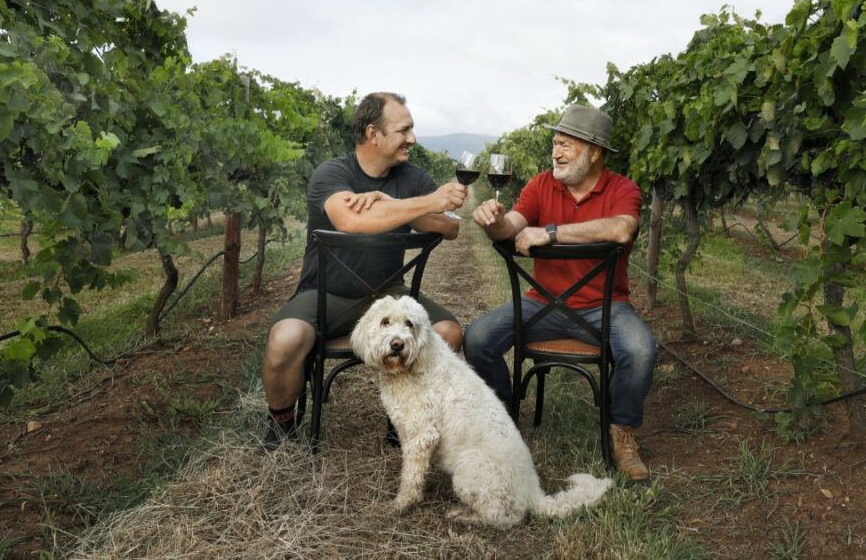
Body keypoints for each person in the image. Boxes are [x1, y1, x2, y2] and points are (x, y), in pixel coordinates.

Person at [261, 92, 467, 450]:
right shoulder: (333, 173)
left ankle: (404, 416)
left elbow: (450, 228)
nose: (412, 139)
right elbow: (351, 220)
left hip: (390, 298)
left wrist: (392, 204)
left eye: (412, 129)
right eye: (404, 130)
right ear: (373, 134)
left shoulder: (410, 178)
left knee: (447, 332)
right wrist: (429, 203)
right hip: (327, 293)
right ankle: (282, 424)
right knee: (284, 340)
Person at [463, 105, 656, 481]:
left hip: (605, 308)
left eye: (566, 145)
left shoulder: (622, 189)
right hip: (542, 305)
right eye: (555, 143)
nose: (556, 152)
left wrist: (550, 232)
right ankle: (503, 419)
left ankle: (621, 432)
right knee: (478, 338)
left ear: (594, 152)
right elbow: (512, 226)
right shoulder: (540, 185)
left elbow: (621, 229)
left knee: (640, 350)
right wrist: (494, 221)